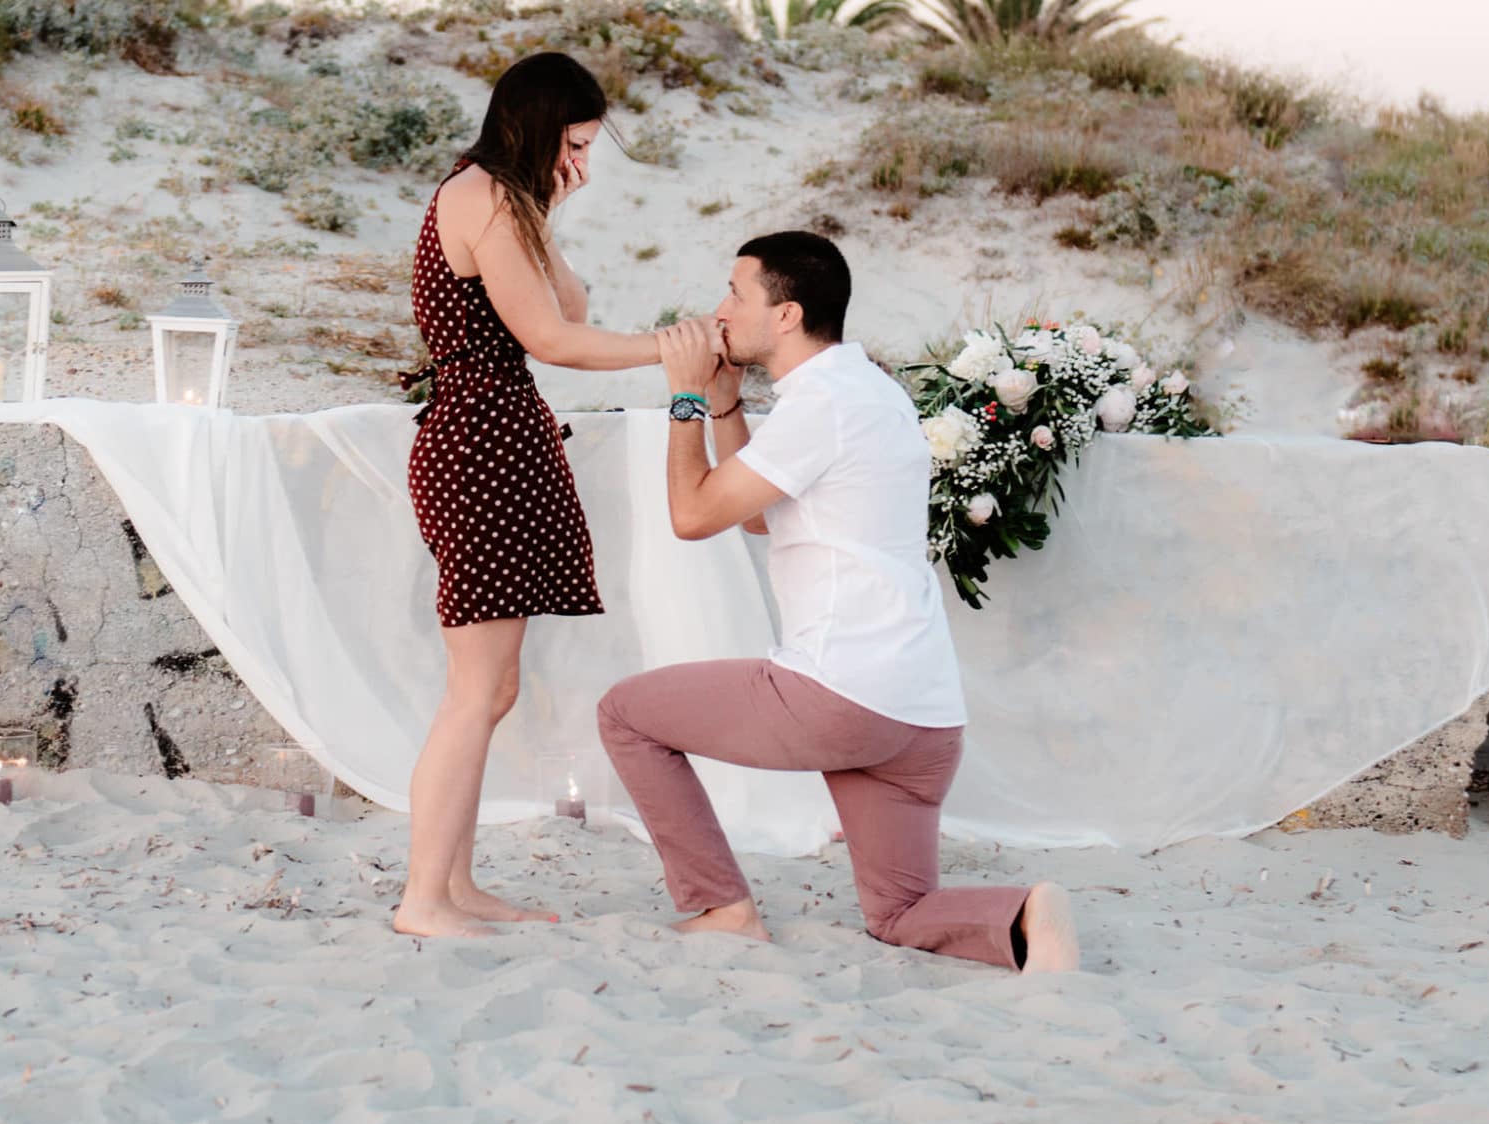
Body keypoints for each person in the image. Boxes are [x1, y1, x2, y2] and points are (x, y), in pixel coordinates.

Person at [595, 232, 1081, 973]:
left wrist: (686, 396)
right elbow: (759, 513)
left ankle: (723, 905)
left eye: (735, 292)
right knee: (900, 912)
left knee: (625, 714)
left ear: (785, 315)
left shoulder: (819, 405)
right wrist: (727, 405)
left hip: (839, 695)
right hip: (922, 715)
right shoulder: (869, 391)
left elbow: (693, 516)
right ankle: (1024, 913)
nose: (719, 310)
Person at [394, 52, 695, 939]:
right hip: (479, 441)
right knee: (474, 689)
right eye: (575, 145)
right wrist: (666, 348)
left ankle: (453, 882)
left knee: (491, 689)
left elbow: (569, 297)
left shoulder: (507, 201)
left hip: (501, 436)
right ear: (535, 129)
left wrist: (549, 209)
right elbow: (552, 339)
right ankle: (423, 898)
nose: (584, 164)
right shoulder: (480, 195)